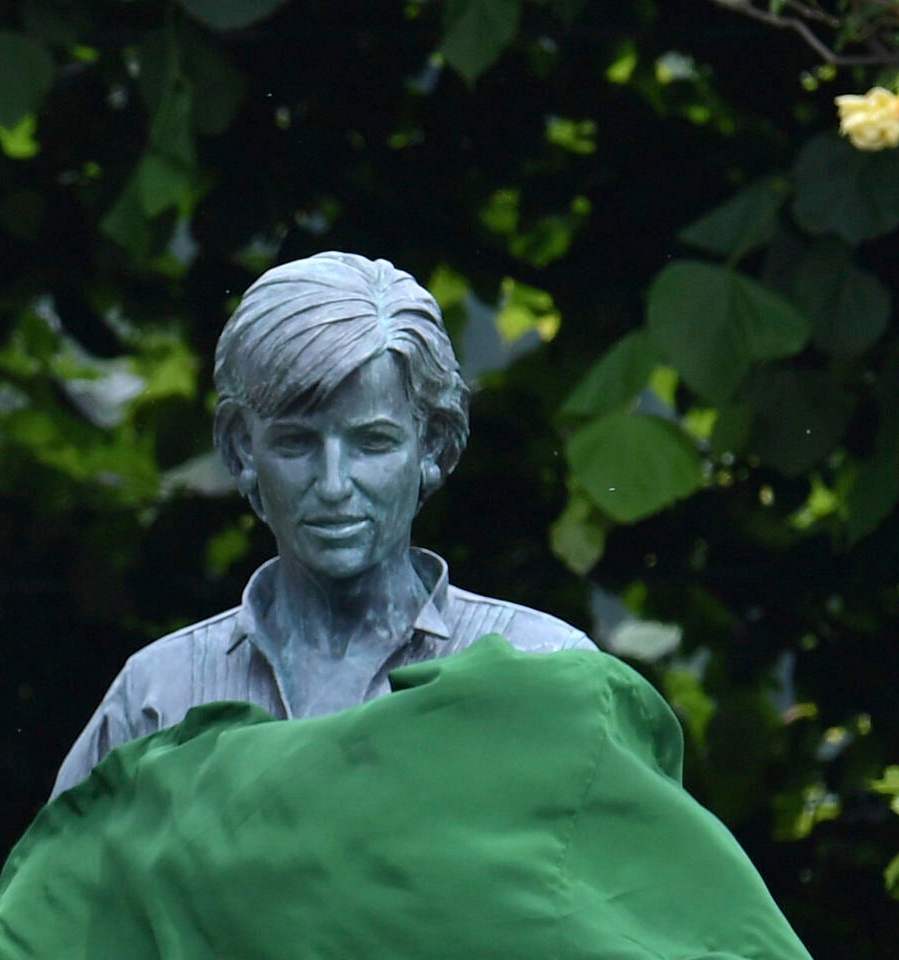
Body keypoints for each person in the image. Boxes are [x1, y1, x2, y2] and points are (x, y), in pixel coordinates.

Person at [51, 251, 589, 796]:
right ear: (242, 449)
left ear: (433, 445)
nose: (334, 484)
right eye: (296, 443)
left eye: (373, 442)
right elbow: (66, 878)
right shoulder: (158, 696)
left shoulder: (547, 672)